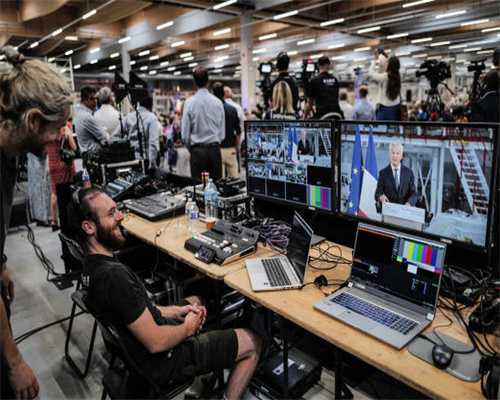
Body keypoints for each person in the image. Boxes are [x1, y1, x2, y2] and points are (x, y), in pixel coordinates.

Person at [68, 187, 261, 400]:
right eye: (111, 213)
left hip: (138, 353)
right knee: (253, 342)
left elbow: (138, 309)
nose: (121, 216)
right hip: (162, 363)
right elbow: (156, 342)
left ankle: (206, 374)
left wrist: (177, 311)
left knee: (198, 299)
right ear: (89, 227)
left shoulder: (91, 267)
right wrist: (188, 327)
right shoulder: (114, 277)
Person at [0, 45, 73, 400]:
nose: (60, 137)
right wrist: (14, 361)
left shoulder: (10, 152)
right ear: (33, 121)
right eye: (57, 128)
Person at [181, 67, 225, 181]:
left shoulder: (189, 103)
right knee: (216, 186)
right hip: (215, 151)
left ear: (194, 82)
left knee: (199, 187)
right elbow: (222, 133)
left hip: (197, 152)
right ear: (208, 81)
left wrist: (193, 149)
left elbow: (184, 134)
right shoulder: (218, 102)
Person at [46, 123, 76, 231]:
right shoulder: (64, 129)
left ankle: (54, 220)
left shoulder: (47, 130)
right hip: (65, 165)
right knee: (68, 196)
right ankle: (70, 221)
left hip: (52, 165)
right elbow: (74, 147)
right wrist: (69, 134)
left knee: (54, 192)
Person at [116, 94, 160, 168]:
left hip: (130, 160)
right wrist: (152, 163)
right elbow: (153, 143)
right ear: (151, 105)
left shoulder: (128, 116)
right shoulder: (152, 118)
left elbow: (115, 135)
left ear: (139, 103)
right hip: (145, 161)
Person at [375, 143, 418, 209]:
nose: (395, 156)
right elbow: (377, 193)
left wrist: (409, 203)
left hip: (404, 211)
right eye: (393, 153)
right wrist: (381, 197)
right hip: (388, 210)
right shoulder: (383, 173)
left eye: (397, 153)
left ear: (401, 156)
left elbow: (414, 194)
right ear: (389, 155)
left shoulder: (409, 173)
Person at [213, 82, 241, 178]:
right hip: (230, 149)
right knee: (235, 179)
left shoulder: (211, 111)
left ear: (213, 94)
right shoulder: (232, 109)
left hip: (216, 150)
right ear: (223, 93)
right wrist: (236, 147)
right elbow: (238, 131)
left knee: (219, 180)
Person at [74, 86, 108, 164]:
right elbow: (104, 137)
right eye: (92, 99)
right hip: (94, 155)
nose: (95, 101)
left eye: (96, 98)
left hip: (87, 155)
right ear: (85, 100)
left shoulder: (79, 113)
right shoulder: (86, 116)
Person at [368, 53, 402, 121]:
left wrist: (373, 62)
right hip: (396, 107)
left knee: (381, 126)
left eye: (387, 62)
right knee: (393, 126)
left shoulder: (385, 77)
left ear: (390, 65)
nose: (386, 63)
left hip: (385, 109)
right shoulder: (398, 76)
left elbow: (371, 73)